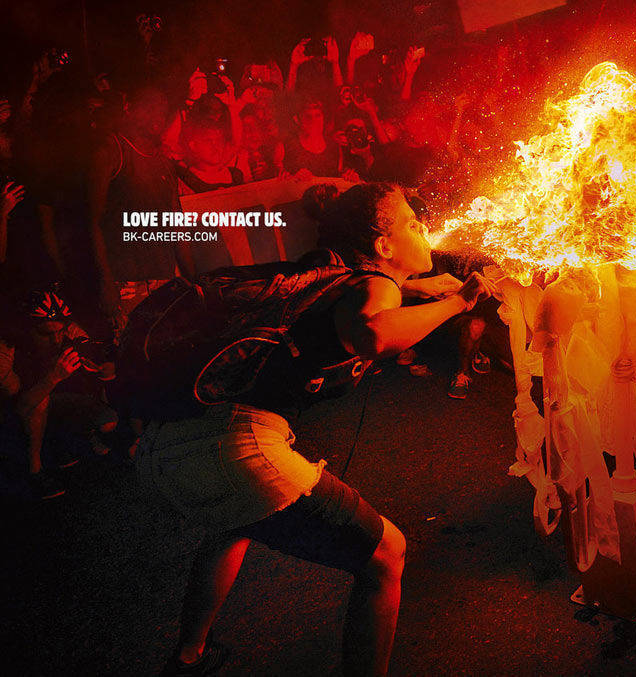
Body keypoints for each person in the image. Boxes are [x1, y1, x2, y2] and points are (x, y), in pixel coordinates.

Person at [136, 183, 491, 676]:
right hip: (234, 447)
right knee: (386, 554)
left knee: (233, 527)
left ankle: (189, 655)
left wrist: (416, 289)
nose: (426, 228)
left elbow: (358, 302)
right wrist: (459, 303)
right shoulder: (377, 287)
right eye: (413, 223)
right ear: (383, 247)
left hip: (169, 444)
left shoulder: (334, 274)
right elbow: (371, 334)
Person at [88, 84, 194, 334]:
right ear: (129, 108)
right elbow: (92, 222)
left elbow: (176, 224)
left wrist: (192, 279)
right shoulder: (111, 153)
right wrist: (106, 283)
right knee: (131, 360)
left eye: (163, 109)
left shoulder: (163, 162)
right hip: (125, 283)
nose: (158, 114)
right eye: (151, 106)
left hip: (164, 280)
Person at [1, 289, 118, 500]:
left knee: (106, 419)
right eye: (46, 334)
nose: (55, 339)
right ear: (27, 329)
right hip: (11, 416)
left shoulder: (66, 332)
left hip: (46, 404)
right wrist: (53, 377)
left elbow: (88, 349)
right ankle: (34, 471)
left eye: (59, 331)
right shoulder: (6, 352)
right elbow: (17, 409)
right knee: (40, 401)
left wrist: (102, 366)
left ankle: (61, 442)